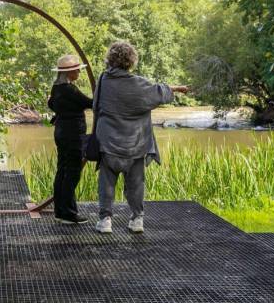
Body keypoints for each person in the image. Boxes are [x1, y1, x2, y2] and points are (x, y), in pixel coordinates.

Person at [94, 41, 188, 234]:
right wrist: (177, 89)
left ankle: (105, 220)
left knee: (107, 183)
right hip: (135, 146)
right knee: (136, 185)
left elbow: (96, 107)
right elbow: (159, 92)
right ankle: (137, 219)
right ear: (131, 61)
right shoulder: (139, 85)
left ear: (110, 60)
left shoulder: (104, 80)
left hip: (109, 143)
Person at [47, 54, 93, 224]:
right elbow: (90, 103)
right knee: (72, 172)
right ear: (70, 72)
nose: (79, 73)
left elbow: (51, 104)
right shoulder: (69, 89)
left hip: (61, 132)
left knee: (63, 170)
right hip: (73, 135)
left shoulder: (57, 88)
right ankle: (68, 213)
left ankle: (60, 211)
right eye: (77, 70)